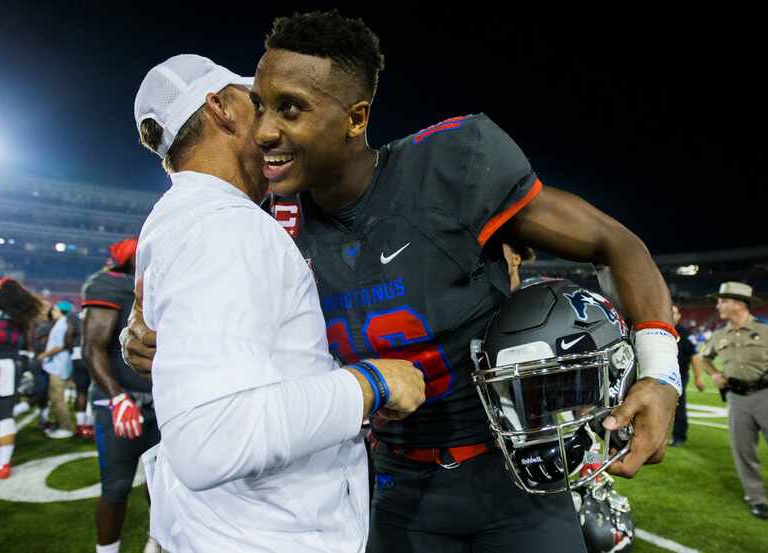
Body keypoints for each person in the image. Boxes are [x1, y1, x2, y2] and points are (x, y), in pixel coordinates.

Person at [126, 12, 681, 552]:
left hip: (513, 472)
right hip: (391, 482)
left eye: (290, 109)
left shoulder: (449, 167)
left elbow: (616, 242)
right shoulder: (261, 224)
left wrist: (659, 374)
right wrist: (151, 333)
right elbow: (194, 284)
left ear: (356, 117)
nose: (266, 129)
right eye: (262, 106)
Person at [131, 53, 425, 552]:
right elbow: (211, 440)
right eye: (258, 104)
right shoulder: (227, 226)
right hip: (271, 534)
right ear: (221, 109)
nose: (272, 126)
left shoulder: (172, 220)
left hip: (217, 528)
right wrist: (371, 382)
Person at [692, 282, 768, 519]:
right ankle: (757, 499)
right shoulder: (719, 335)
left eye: (723, 301)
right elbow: (702, 357)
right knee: (743, 452)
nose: (718, 305)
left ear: (738, 304)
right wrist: (714, 374)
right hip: (737, 399)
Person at [81, 238, 161, 553]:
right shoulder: (108, 284)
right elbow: (92, 347)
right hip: (121, 401)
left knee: (162, 483)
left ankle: (156, 540)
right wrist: (117, 397)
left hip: (161, 401)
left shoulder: (160, 282)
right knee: (116, 487)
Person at [0, 277, 43, 478]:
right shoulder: (20, 315)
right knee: (4, 416)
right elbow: (27, 346)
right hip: (10, 366)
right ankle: (3, 465)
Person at [38, 300, 75, 439]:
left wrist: (44, 355)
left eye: (54, 310)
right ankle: (60, 424)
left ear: (60, 311)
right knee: (55, 397)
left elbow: (59, 345)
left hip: (58, 365)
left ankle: (66, 427)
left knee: (57, 397)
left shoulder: (61, 324)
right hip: (58, 364)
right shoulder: (61, 323)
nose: (52, 312)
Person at [670, 304, 701, 446]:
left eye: (674, 312)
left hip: (679, 376)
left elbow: (695, 356)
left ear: (679, 316)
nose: (671, 314)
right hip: (660, 376)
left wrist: (698, 378)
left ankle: (679, 436)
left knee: (678, 406)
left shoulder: (685, 333)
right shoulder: (661, 331)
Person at [67, 307, 93, 438]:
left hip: (77, 356)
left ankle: (79, 424)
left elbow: (68, 338)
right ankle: (88, 425)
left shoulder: (75, 318)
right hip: (93, 356)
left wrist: (72, 350)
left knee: (80, 392)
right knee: (93, 391)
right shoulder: (98, 315)